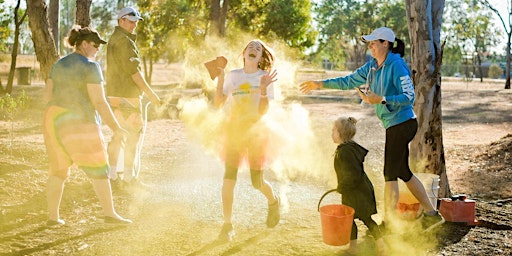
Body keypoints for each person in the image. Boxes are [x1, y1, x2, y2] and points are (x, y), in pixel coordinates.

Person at [299, 27, 444, 232]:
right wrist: (319, 84)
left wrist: (382, 99)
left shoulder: (397, 66)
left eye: (374, 42)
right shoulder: (372, 67)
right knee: (403, 172)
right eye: (369, 43)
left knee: (389, 174)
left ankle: (388, 224)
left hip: (403, 124)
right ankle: (432, 214)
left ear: (386, 44)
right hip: (394, 125)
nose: (370, 46)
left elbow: (409, 97)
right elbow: (348, 81)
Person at [42, 26, 132, 225]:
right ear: (83, 44)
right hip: (80, 121)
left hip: (54, 120)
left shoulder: (58, 64)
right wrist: (116, 127)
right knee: (99, 168)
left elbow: (47, 96)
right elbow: (99, 102)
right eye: (95, 45)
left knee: (58, 169)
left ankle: (53, 217)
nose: (98, 49)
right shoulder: (90, 67)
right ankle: (110, 214)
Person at [214, 39, 280, 241]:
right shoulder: (233, 76)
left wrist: (262, 90)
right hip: (234, 131)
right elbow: (218, 103)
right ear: (243, 54)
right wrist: (220, 78)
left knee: (256, 181)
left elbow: (262, 112)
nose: (254, 49)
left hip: (255, 133)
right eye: (250, 46)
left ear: (260, 58)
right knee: (229, 177)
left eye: (258, 48)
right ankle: (227, 225)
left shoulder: (264, 78)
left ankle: (273, 201)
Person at [106, 6, 161, 184]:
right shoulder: (124, 41)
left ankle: (113, 175)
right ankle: (128, 178)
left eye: (135, 21)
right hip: (127, 96)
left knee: (118, 134)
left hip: (113, 95)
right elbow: (133, 72)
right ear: (121, 21)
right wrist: (151, 94)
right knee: (132, 136)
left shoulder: (114, 38)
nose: (134, 25)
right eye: (130, 21)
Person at [331, 117, 385, 255]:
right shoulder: (345, 149)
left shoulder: (346, 151)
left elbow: (353, 174)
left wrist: (342, 187)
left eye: (333, 130)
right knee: (350, 220)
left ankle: (381, 248)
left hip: (358, 192)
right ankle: (353, 249)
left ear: (341, 133)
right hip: (354, 191)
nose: (331, 133)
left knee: (366, 219)